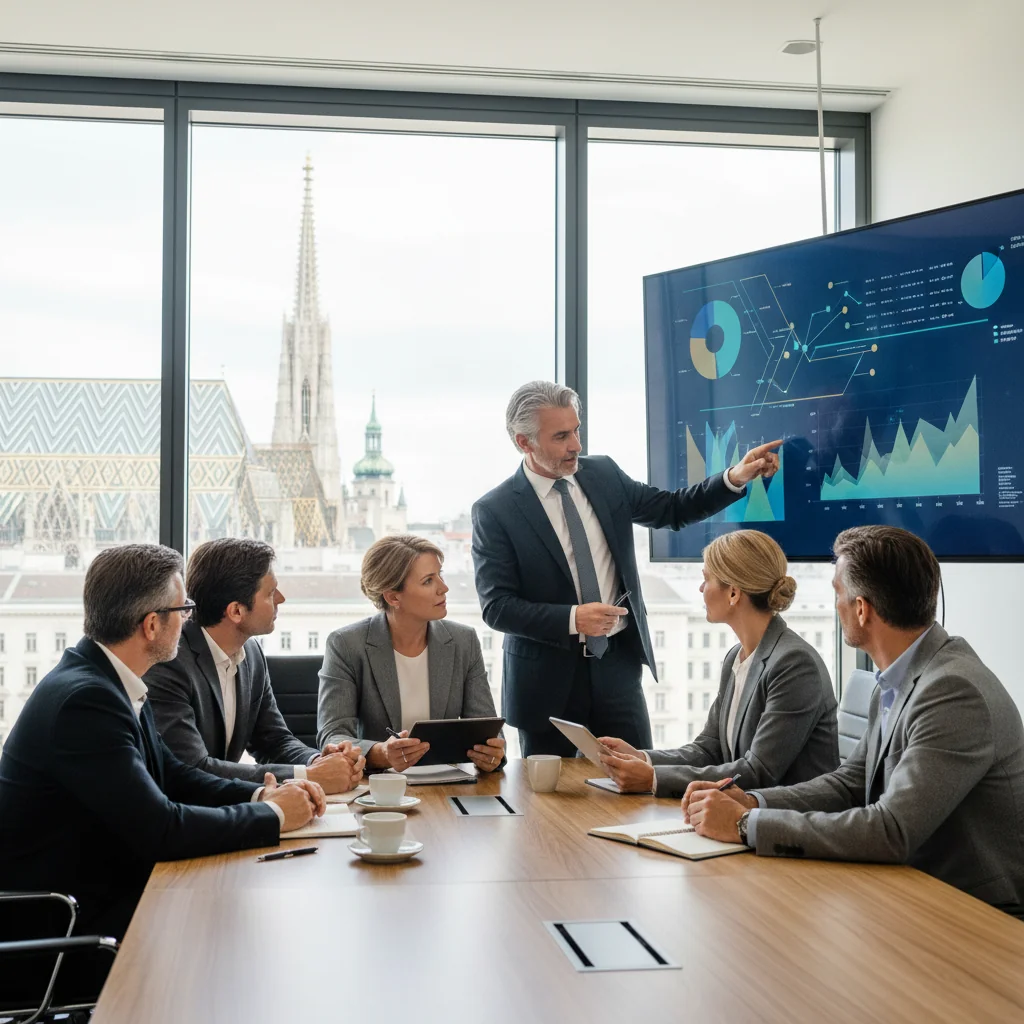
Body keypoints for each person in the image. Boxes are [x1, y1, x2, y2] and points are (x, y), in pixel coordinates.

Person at [0, 544, 325, 997]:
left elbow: (173, 774)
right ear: (152, 624)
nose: (190, 618)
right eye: (183, 608)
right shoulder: (86, 701)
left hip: (107, 890)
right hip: (68, 928)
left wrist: (261, 799)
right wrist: (273, 818)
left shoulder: (112, 679)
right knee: (250, 952)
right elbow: (162, 829)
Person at [684, 526, 1024, 918]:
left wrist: (746, 824)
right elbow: (849, 782)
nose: (836, 605)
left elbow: (891, 829)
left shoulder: (952, 692)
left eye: (837, 594)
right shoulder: (898, 678)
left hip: (976, 913)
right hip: (913, 891)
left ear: (862, 609)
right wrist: (751, 800)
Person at [471, 379, 781, 756]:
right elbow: (497, 607)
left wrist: (735, 477)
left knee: (636, 789)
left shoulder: (603, 474)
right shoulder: (495, 511)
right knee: (554, 806)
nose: (576, 445)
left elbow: (671, 508)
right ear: (525, 442)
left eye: (577, 430)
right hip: (545, 687)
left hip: (617, 670)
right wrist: (573, 619)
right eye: (561, 436)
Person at [598, 530, 839, 795]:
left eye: (706, 579)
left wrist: (653, 779)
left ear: (733, 593)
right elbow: (708, 749)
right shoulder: (736, 657)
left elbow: (758, 771)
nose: (701, 589)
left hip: (787, 823)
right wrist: (643, 759)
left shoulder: (794, 664)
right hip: (740, 813)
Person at [145, 538, 364, 794]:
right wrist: (309, 775)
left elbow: (273, 741)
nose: (281, 599)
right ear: (236, 611)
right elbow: (194, 767)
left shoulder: (251, 651)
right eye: (271, 593)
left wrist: (318, 761)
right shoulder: (169, 662)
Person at [318, 535, 506, 773]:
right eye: (428, 581)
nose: (444, 588)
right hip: (379, 788)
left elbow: (487, 729)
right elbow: (332, 736)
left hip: (448, 781)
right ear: (393, 597)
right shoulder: (346, 644)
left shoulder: (463, 641)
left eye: (440, 575)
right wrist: (382, 753)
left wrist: (492, 753)